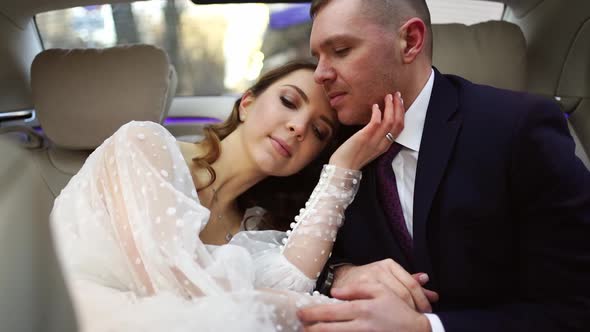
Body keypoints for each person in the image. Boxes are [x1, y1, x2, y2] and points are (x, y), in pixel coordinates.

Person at [298, 0, 590, 331]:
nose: (320, 74)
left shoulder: (517, 128)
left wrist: (427, 328)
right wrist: (342, 273)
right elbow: (287, 254)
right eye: (316, 58)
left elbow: (576, 306)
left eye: (339, 50)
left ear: (409, 42)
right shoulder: (326, 143)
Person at [49, 61, 406, 331]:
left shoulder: (253, 225)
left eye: (318, 130)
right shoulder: (144, 145)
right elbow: (175, 282)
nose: (298, 127)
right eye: (288, 101)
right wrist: (314, 310)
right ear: (247, 103)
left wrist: (343, 167)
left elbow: (293, 278)